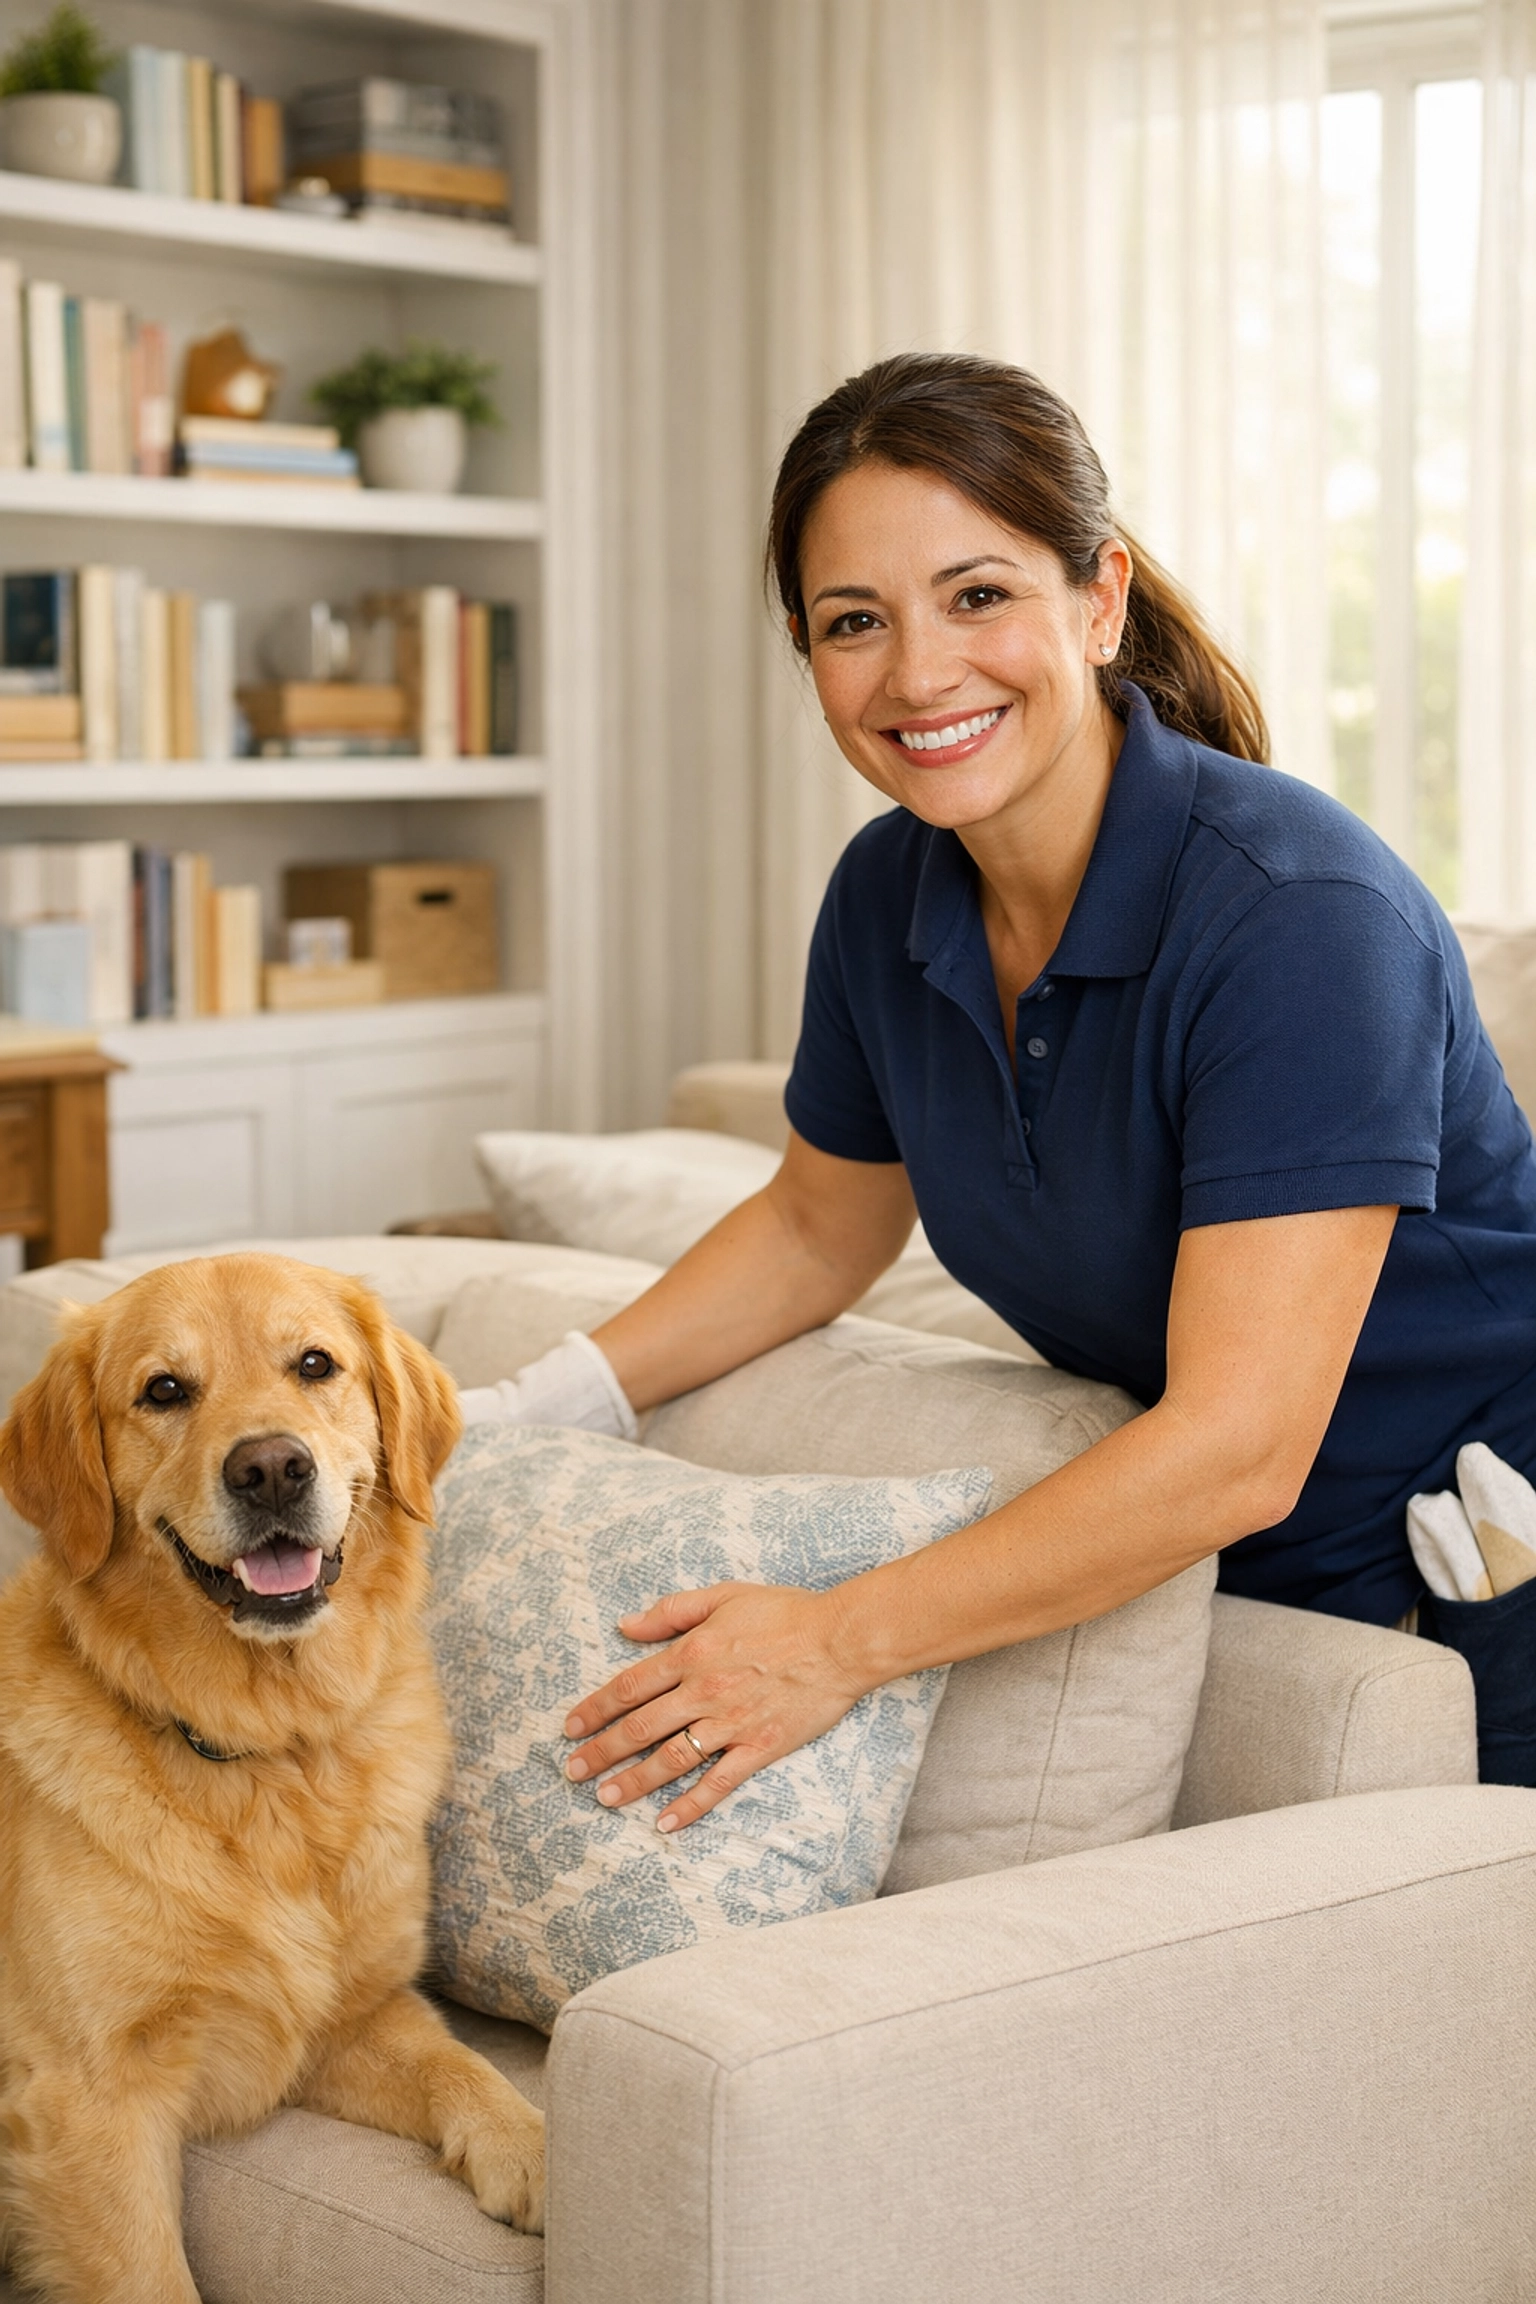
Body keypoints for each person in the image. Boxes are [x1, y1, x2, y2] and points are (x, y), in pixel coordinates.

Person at [467, 352, 1536, 1829]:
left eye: (979, 596)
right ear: (808, 651)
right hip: (1231, 1571)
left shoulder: (1299, 915)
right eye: (857, 623)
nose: (918, 675)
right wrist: (521, 1411)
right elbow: (815, 1228)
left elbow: (1237, 1443)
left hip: (1483, 1549)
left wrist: (829, 1644)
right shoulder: (885, 894)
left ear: (1097, 600)